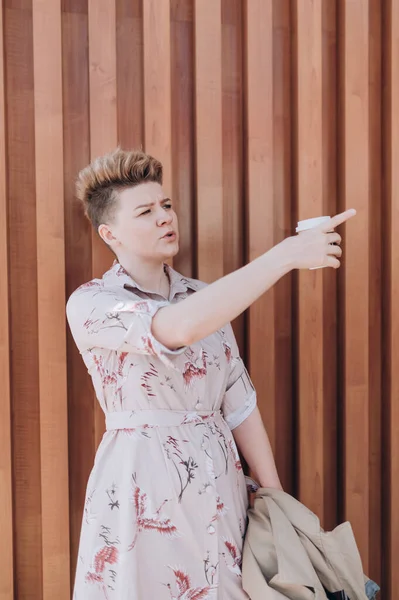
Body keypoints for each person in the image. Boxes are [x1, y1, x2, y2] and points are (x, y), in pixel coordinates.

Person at [66, 148, 356, 600]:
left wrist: (275, 499)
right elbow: (177, 328)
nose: (165, 217)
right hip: (141, 487)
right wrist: (284, 256)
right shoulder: (90, 302)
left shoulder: (202, 296)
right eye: (145, 211)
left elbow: (238, 402)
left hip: (221, 484)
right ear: (110, 233)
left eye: (166, 205)